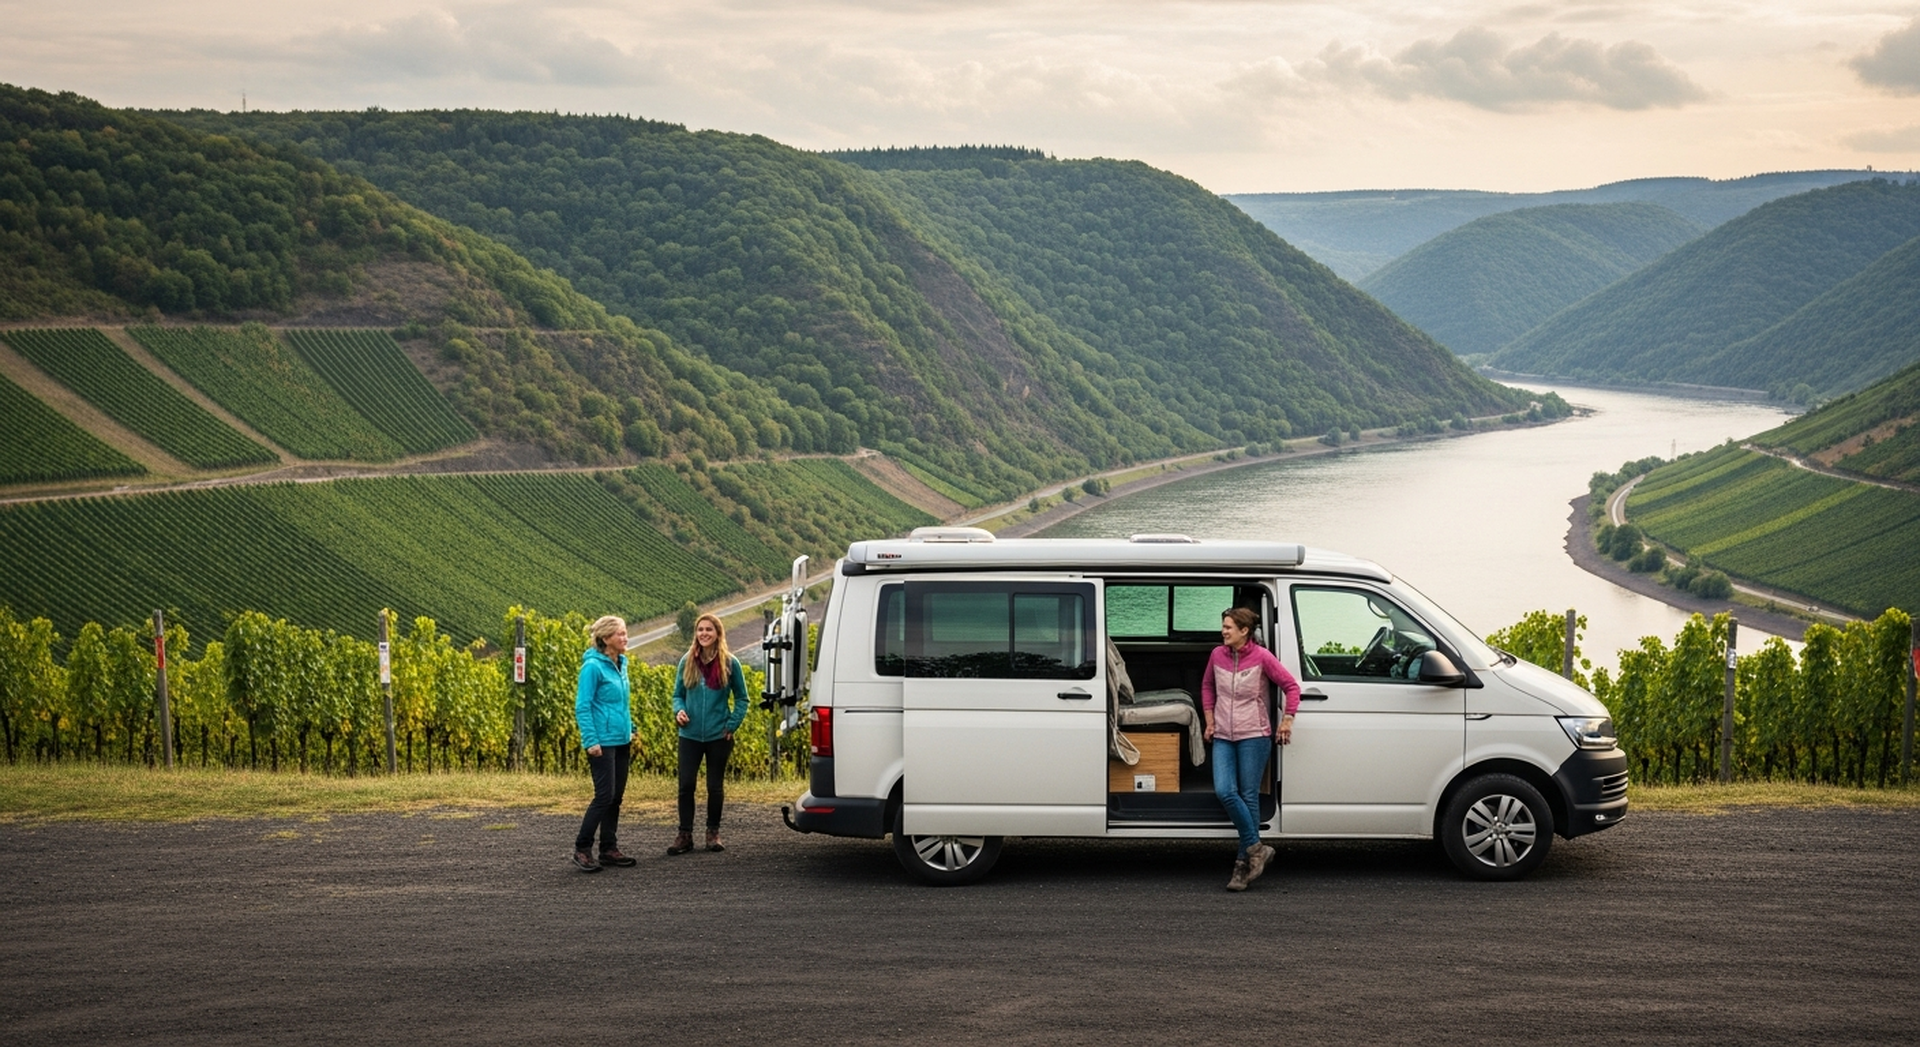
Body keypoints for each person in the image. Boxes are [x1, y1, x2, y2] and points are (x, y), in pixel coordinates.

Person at [1200, 606, 1301, 892]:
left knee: (1248, 795)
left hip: (1254, 734)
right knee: (1225, 790)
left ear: (1244, 631)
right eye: (1223, 626)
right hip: (1222, 733)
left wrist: (1287, 721)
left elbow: (1291, 687)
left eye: (1228, 627)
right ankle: (1257, 848)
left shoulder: (1262, 657)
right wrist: (1209, 721)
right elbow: (1208, 687)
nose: (1223, 631)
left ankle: (1242, 867)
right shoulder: (1217, 655)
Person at [669, 612, 750, 855]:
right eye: (700, 630)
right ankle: (685, 835)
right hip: (690, 735)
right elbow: (677, 695)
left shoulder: (730, 663)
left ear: (717, 634)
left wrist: (732, 724)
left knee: (714, 786)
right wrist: (679, 711)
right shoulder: (687, 661)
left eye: (709, 630)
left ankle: (712, 833)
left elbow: (743, 699)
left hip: (718, 735)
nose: (704, 633)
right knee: (686, 785)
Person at [573, 615, 636, 873]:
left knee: (616, 797)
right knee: (604, 796)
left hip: (621, 740)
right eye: (620, 634)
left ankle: (608, 848)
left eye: (625, 633)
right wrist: (591, 740)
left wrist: (630, 729)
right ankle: (582, 848)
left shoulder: (621, 663)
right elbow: (583, 706)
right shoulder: (592, 667)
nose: (625, 637)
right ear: (606, 638)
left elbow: (621, 703)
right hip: (601, 742)